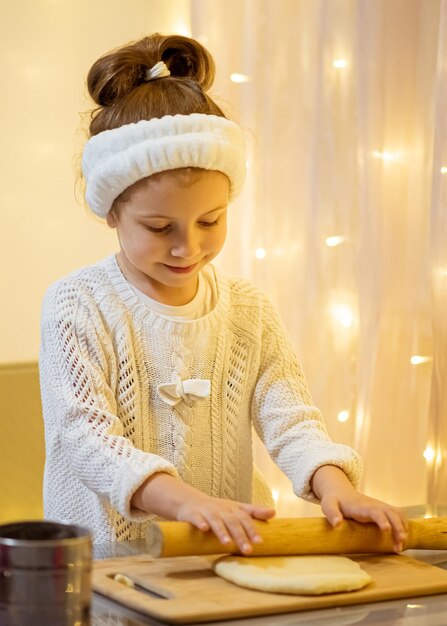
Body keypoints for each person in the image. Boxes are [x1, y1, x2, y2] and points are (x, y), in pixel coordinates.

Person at [39, 33, 408, 550]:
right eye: (159, 227)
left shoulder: (247, 309)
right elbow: (88, 440)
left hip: (222, 554)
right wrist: (185, 501)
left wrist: (335, 485)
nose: (186, 247)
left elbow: (290, 417)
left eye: (210, 220)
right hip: (108, 564)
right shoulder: (78, 305)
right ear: (113, 212)